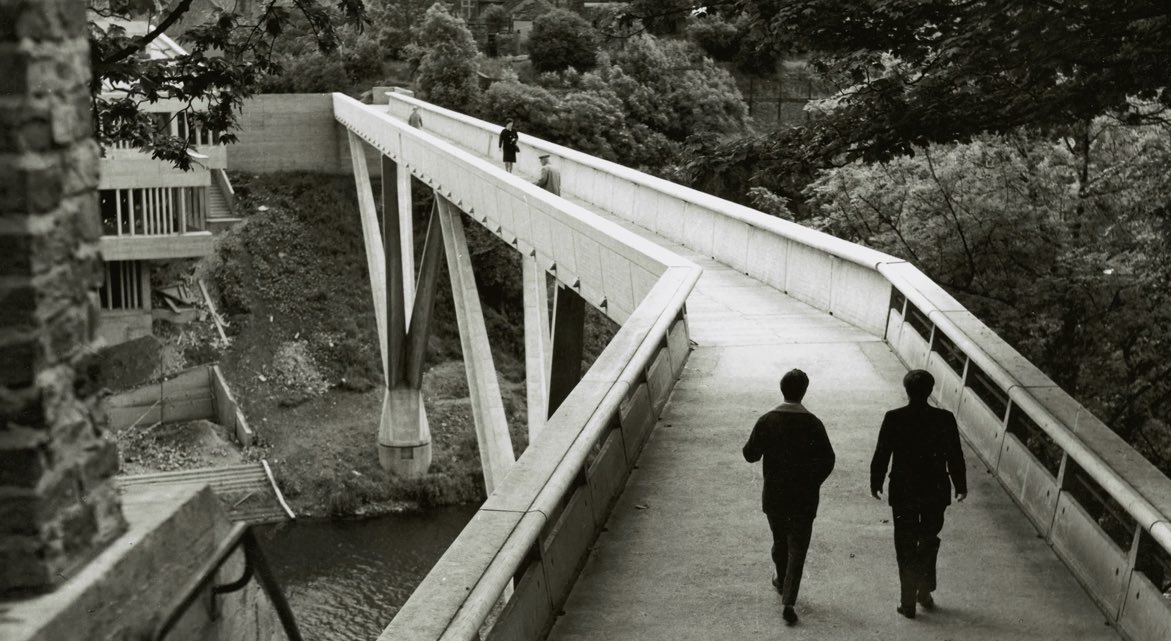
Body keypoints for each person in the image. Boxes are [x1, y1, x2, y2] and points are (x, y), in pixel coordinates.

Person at [870, 369, 968, 619]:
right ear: (930, 390)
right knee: (928, 539)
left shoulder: (894, 418)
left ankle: (908, 601)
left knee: (904, 542)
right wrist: (960, 485)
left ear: (906, 390)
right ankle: (923, 591)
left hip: (904, 490)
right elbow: (955, 455)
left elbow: (882, 453)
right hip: (935, 490)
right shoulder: (945, 419)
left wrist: (876, 480)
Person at [743, 369, 836, 625]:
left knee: (780, 542)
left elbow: (750, 454)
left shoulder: (766, 420)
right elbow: (828, 460)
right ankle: (789, 600)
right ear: (804, 392)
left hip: (774, 497)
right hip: (804, 499)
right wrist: (812, 482)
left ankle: (781, 579)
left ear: (781, 389)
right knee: (799, 548)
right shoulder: (814, 423)